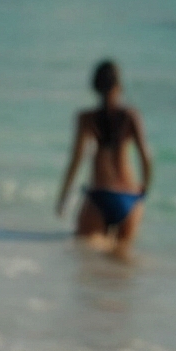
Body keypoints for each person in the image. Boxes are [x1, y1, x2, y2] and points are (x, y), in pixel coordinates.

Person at [55, 60, 153, 256]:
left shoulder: (86, 118)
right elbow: (146, 158)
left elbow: (76, 161)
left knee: (87, 258)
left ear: (95, 87)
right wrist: (143, 192)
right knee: (122, 260)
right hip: (129, 197)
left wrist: (63, 198)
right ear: (119, 86)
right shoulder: (131, 116)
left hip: (99, 195)